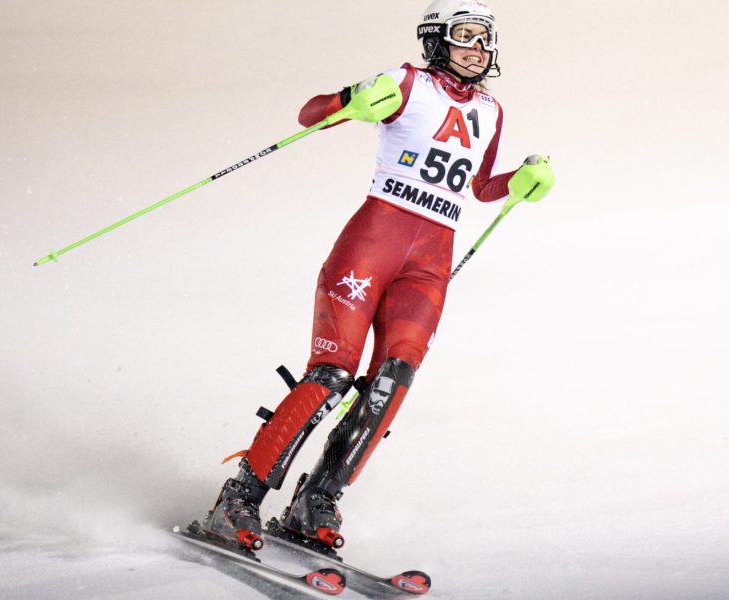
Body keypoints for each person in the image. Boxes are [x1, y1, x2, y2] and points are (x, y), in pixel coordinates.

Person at [201, 0, 554, 551]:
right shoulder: (406, 81)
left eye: (486, 39)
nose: (478, 48)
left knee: (393, 382)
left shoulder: (491, 108)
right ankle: (238, 498)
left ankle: (315, 499)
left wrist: (522, 180)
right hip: (373, 243)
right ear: (436, 38)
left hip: (430, 261)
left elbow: (481, 186)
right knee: (332, 376)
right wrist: (353, 102)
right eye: (465, 35)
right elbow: (310, 115)